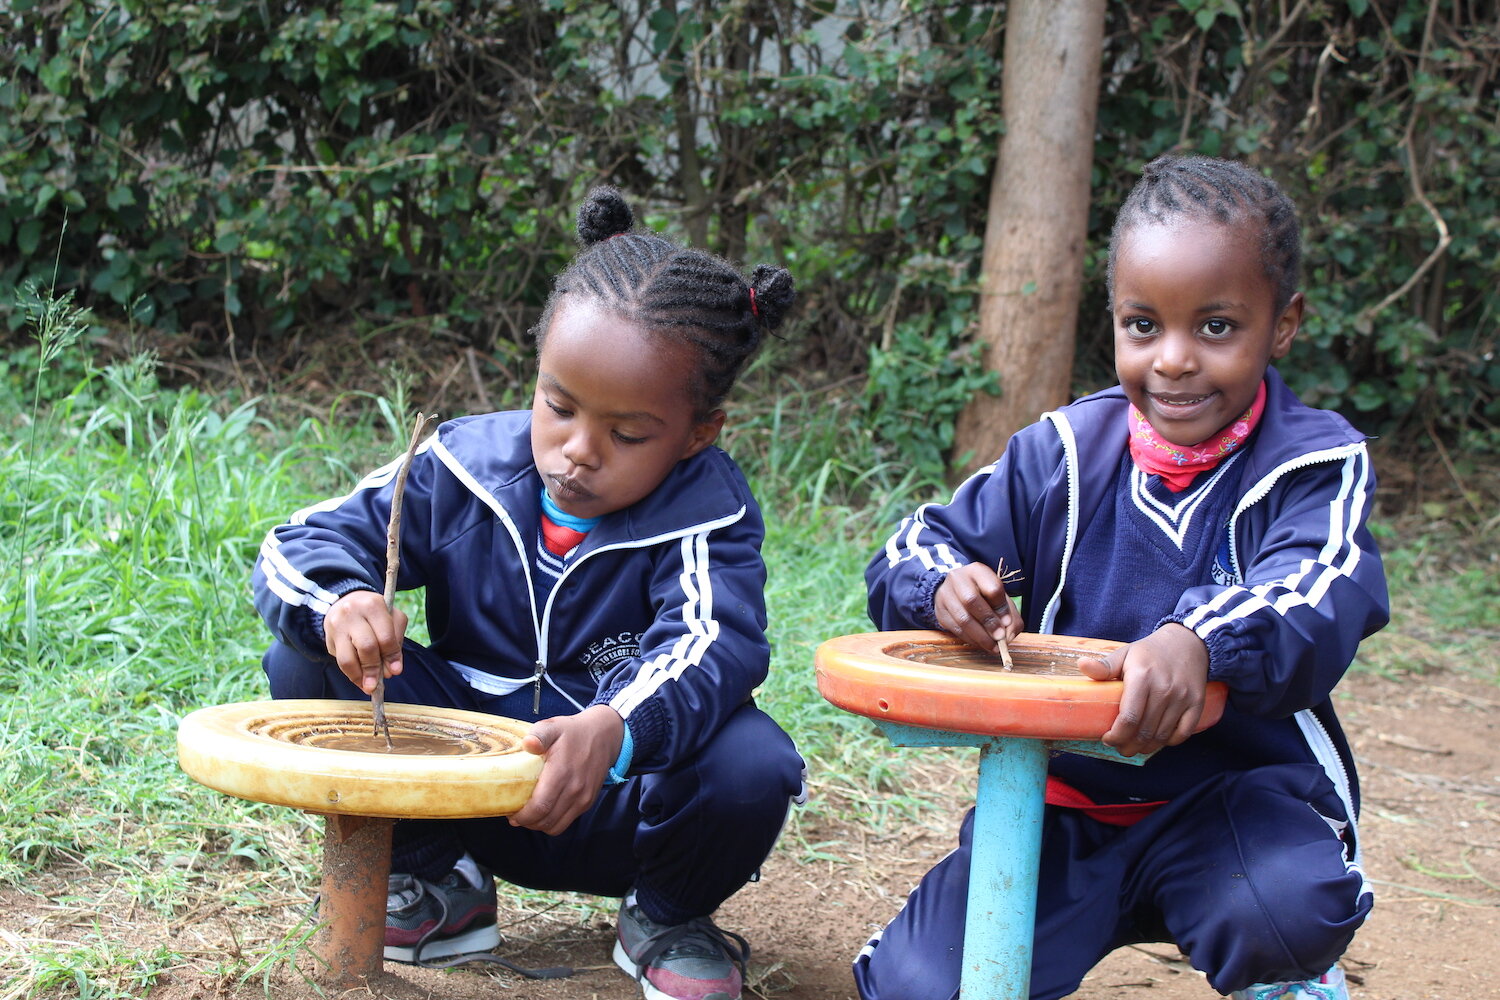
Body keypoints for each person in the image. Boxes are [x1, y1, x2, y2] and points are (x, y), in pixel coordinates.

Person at [856, 155, 1389, 1000]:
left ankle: (1290, 974)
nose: (1173, 360)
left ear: (1283, 325)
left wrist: (1201, 641)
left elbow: (1316, 594)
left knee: (1286, 910)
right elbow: (912, 545)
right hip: (1059, 807)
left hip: (1237, 804)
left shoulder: (1314, 463)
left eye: (1216, 327)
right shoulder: (1062, 455)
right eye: (1144, 325)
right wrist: (946, 587)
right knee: (920, 986)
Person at [252, 186, 805, 1000]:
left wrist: (615, 729)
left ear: (696, 433)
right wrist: (341, 603)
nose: (577, 451)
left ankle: (667, 916)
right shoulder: (462, 465)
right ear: (537, 374)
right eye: (559, 405)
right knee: (306, 666)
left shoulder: (706, 513)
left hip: (619, 799)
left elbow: (713, 642)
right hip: (459, 785)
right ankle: (435, 883)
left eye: (626, 434)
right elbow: (296, 544)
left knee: (753, 760)